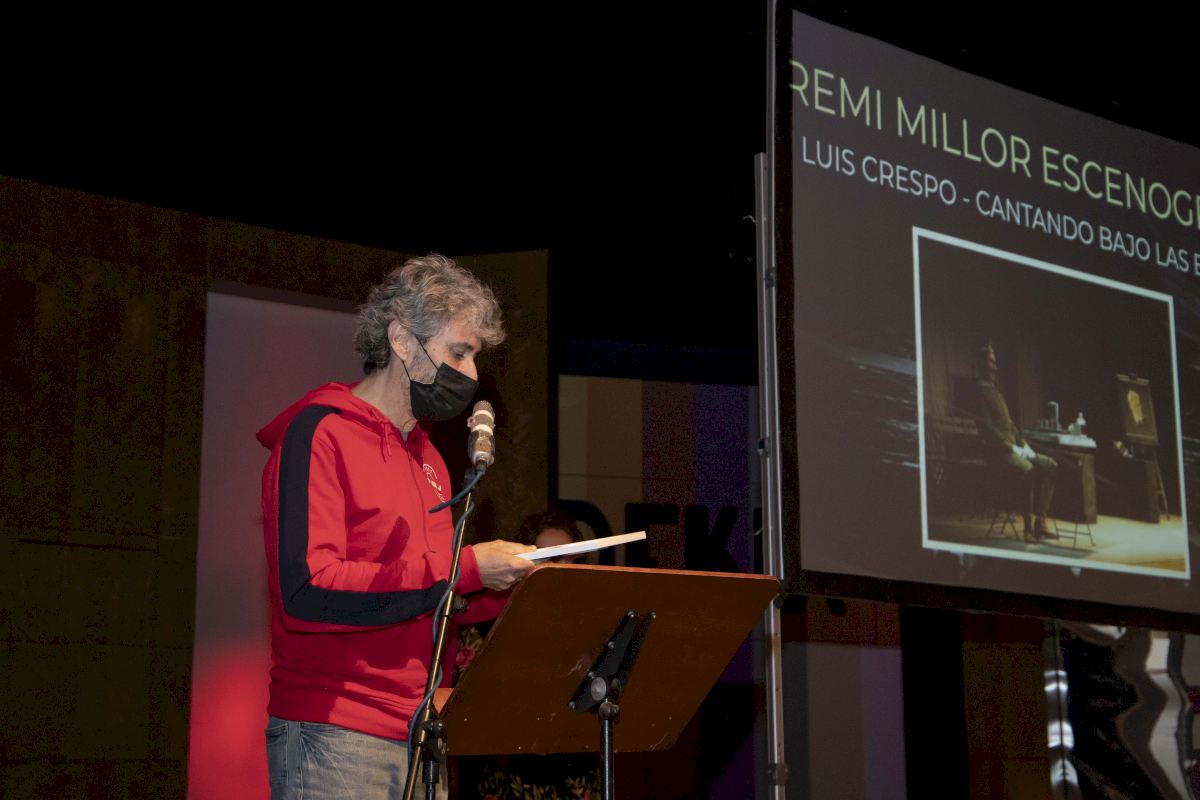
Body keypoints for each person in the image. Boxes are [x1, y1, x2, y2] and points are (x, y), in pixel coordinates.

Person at [256, 254, 536, 799]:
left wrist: (516, 585)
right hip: (336, 732)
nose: (471, 375)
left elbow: (426, 596)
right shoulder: (321, 434)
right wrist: (466, 568)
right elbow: (308, 592)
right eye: (459, 352)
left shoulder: (428, 458)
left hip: (422, 732)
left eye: (474, 357)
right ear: (403, 340)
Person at [975, 341, 1059, 542]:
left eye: (995, 362)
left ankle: (1040, 522)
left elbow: (1010, 424)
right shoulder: (979, 392)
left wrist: (1023, 443)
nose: (995, 367)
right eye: (991, 362)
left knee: (1051, 465)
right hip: (1000, 453)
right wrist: (1011, 446)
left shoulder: (997, 392)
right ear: (981, 363)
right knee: (1028, 470)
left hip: (1016, 448)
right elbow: (987, 428)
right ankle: (1028, 528)